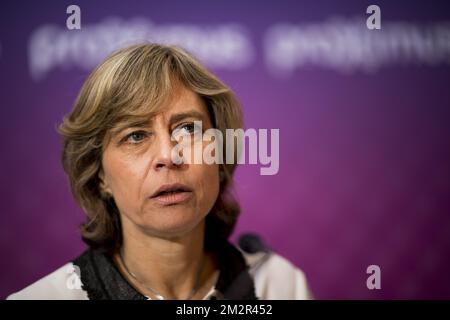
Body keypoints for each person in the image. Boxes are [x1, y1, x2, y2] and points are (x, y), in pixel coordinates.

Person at [8, 43, 312, 300]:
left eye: (187, 129)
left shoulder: (280, 287)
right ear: (99, 176)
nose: (169, 155)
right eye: (136, 136)